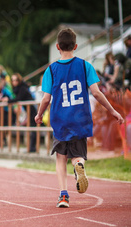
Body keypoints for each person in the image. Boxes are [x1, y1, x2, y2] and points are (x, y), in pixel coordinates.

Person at [35, 28, 124, 208]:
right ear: (75, 46)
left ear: (58, 47)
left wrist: (38, 114)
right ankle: (79, 165)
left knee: (61, 157)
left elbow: (46, 98)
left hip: (60, 121)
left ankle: (63, 196)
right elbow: (97, 93)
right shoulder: (85, 66)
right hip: (80, 118)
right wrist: (112, 110)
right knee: (78, 155)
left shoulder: (51, 70)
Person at [11, 73, 36, 152]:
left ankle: (32, 148)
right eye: (13, 80)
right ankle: (31, 147)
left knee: (33, 129)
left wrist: (7, 101)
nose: (14, 82)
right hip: (28, 110)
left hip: (32, 110)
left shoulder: (22, 88)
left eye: (16, 80)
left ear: (19, 80)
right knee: (30, 129)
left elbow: (18, 98)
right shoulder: (18, 88)